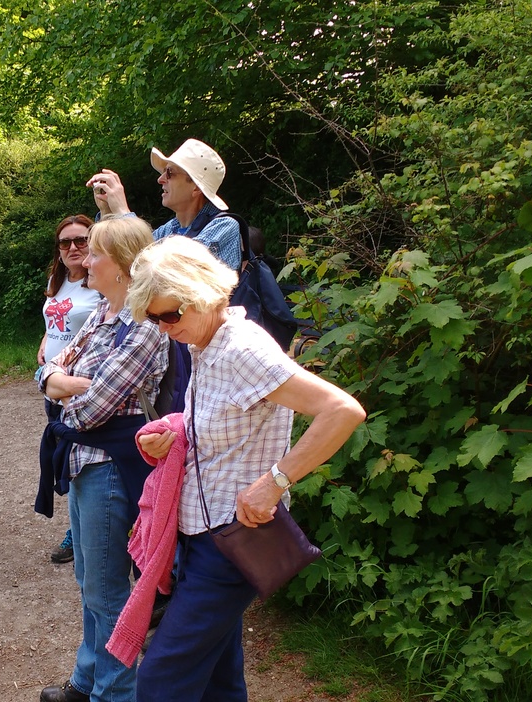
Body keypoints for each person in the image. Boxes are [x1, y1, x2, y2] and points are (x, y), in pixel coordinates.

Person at [124, 235, 366, 702]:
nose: (164, 328)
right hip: (201, 535)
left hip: (232, 541)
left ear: (202, 292)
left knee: (161, 680)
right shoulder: (204, 343)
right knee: (218, 679)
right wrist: (174, 432)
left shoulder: (243, 351)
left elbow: (342, 411)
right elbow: (227, 422)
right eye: (153, 318)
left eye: (170, 314)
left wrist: (275, 482)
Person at [37, 216, 168, 702]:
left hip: (112, 468)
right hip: (83, 460)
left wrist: (62, 387)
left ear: (123, 264)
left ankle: (113, 694)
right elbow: (47, 369)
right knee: (89, 581)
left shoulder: (144, 328)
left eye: (94, 252)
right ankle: (88, 679)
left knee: (108, 590)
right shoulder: (102, 315)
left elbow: (89, 412)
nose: (84, 261)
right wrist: (64, 383)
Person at [39, 214, 102, 565]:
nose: (73, 248)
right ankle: (78, 526)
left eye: (81, 241)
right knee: (64, 453)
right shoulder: (57, 280)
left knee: (81, 457)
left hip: (80, 386)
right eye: (65, 242)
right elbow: (56, 320)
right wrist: (45, 341)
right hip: (53, 381)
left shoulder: (99, 282)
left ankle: (80, 532)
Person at [86, 138, 242, 271]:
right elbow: (124, 261)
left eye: (169, 173)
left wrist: (122, 212)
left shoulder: (225, 227)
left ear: (196, 187)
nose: (160, 179)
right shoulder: (169, 229)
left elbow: (166, 273)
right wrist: (108, 213)